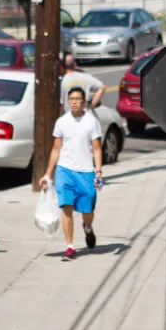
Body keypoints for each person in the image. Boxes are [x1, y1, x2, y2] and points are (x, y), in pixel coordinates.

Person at [40, 87, 104, 261]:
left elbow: (97, 148)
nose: (74, 102)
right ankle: (69, 246)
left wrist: (98, 170)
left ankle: (88, 228)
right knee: (66, 207)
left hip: (86, 171)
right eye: (71, 99)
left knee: (88, 207)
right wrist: (47, 174)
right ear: (68, 102)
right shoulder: (61, 122)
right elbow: (55, 149)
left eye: (78, 99)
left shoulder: (91, 121)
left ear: (84, 102)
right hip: (64, 170)